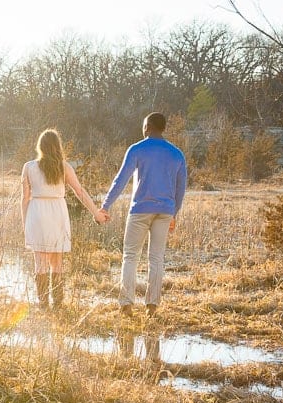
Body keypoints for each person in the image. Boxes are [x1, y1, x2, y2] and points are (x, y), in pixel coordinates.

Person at [99, 112, 187, 316]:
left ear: (147, 127)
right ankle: (152, 306)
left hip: (140, 209)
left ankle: (126, 304)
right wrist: (174, 213)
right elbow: (180, 188)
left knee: (130, 256)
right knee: (156, 258)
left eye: (143, 125)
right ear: (163, 128)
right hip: (165, 211)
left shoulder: (137, 149)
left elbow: (120, 179)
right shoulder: (177, 154)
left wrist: (106, 205)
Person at [21, 129, 108, 308]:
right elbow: (80, 192)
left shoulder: (29, 167)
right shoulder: (64, 167)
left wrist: (25, 223)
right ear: (57, 146)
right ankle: (58, 303)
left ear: (40, 146)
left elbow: (25, 198)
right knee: (57, 261)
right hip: (57, 213)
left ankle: (43, 303)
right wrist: (96, 213)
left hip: (36, 213)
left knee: (40, 263)